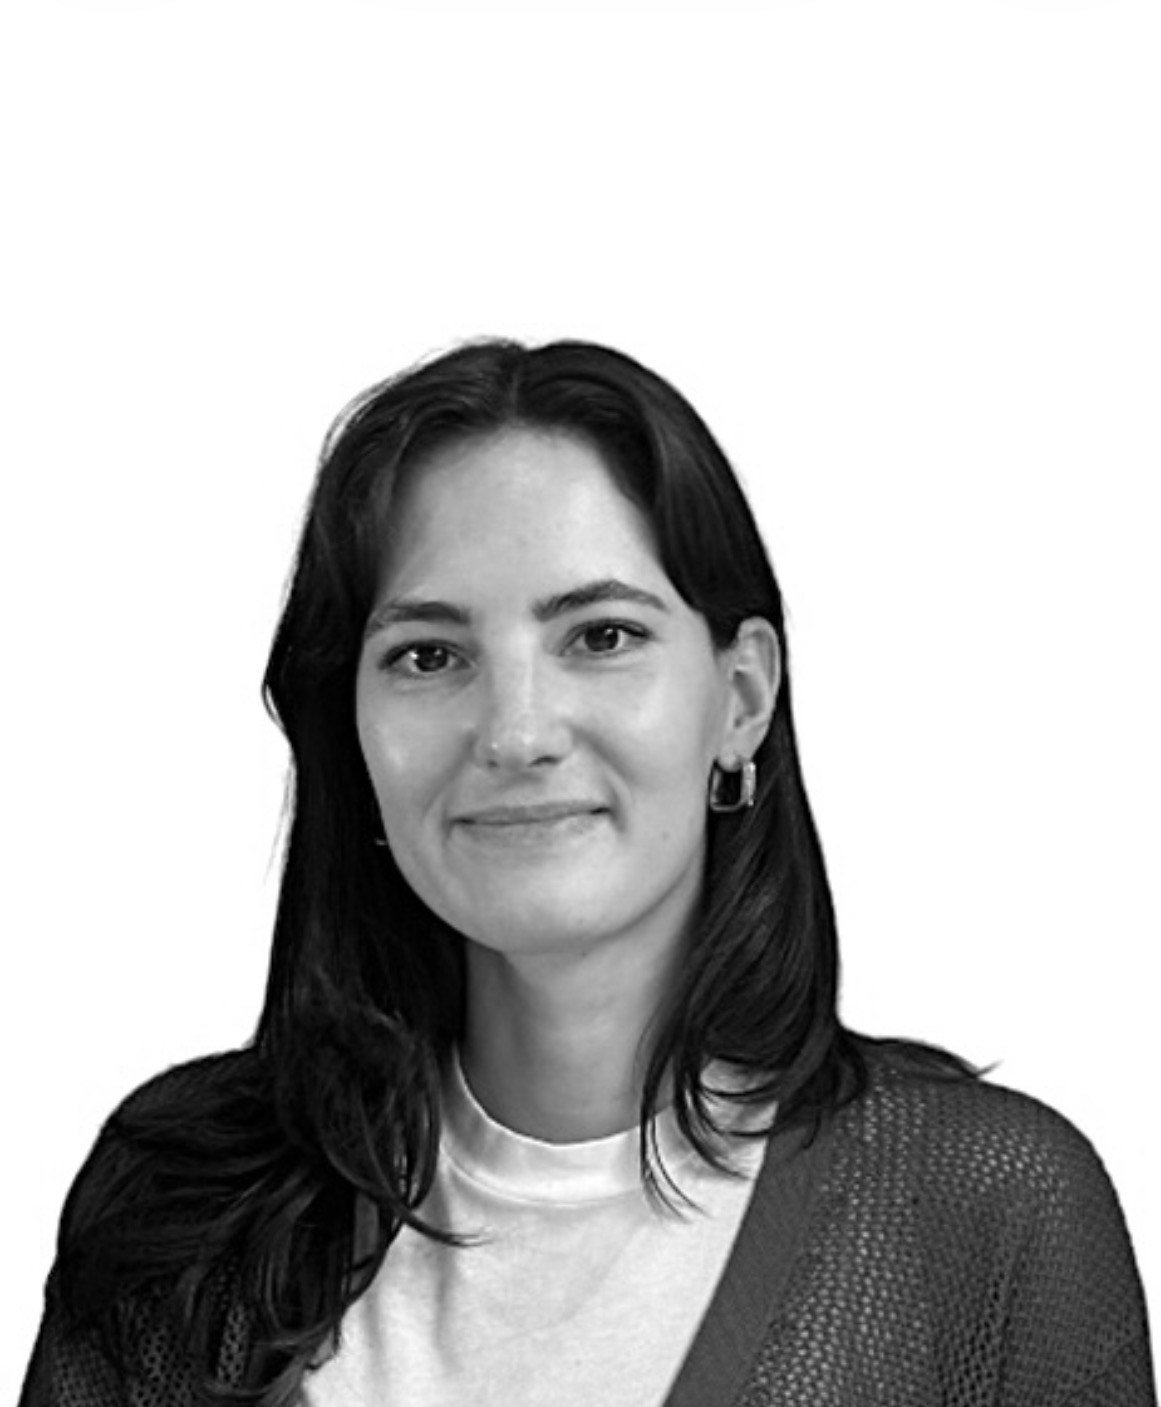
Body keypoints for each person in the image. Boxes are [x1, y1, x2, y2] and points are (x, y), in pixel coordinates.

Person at [20, 339, 1155, 1407]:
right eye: (428, 655)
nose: (515, 731)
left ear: (741, 699)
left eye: (601, 636)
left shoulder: (991, 1216)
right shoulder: (177, 1205)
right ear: (351, 732)